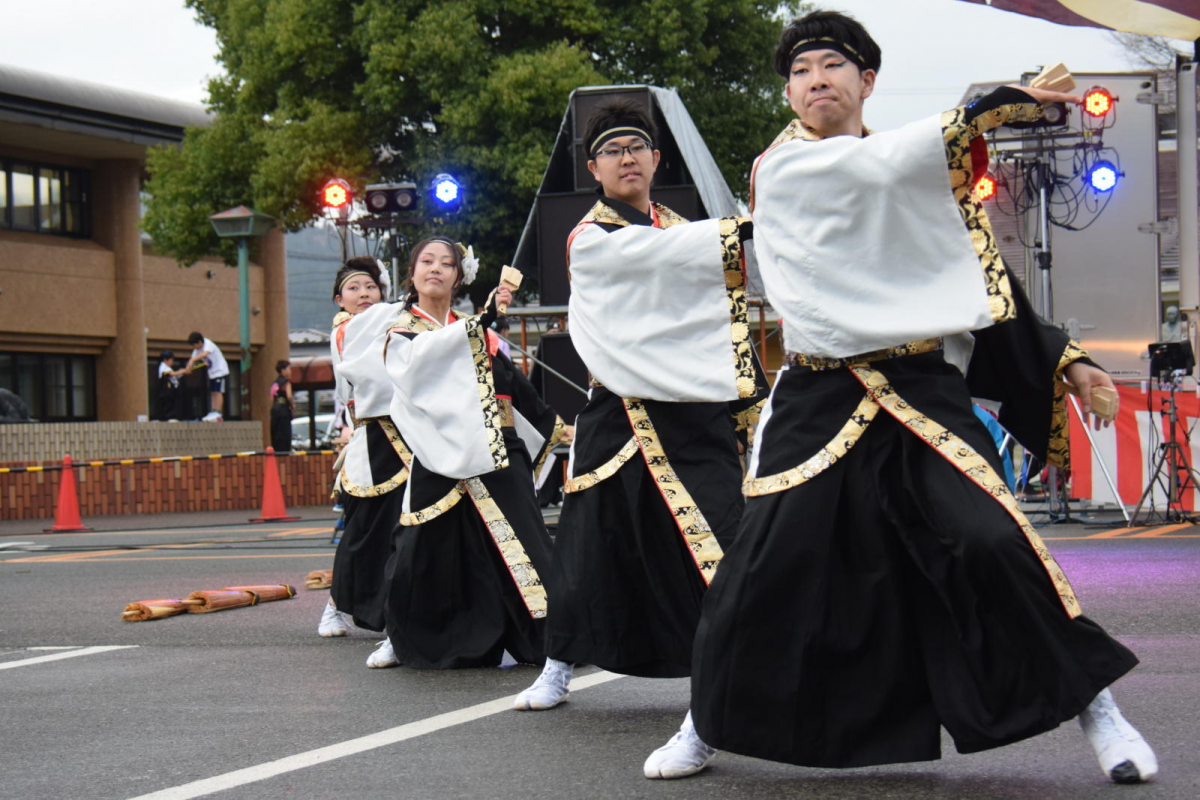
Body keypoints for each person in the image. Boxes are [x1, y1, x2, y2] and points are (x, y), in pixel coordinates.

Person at [674, 10, 1156, 785]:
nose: (815, 80)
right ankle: (703, 724)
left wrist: (1067, 361)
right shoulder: (786, 169)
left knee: (992, 542)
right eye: (800, 71)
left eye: (832, 65)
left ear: (867, 81)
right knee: (763, 565)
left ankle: (1099, 712)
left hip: (919, 386)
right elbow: (870, 171)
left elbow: (970, 276)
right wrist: (977, 111)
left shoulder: (917, 173)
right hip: (819, 394)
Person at [513, 99, 766, 717]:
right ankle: (557, 665)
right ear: (594, 168)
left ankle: (751, 657)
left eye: (637, 149)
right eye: (612, 152)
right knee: (588, 543)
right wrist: (745, 225)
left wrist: (746, 395)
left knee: (727, 530)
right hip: (619, 409)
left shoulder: (682, 229)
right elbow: (651, 259)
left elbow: (716, 314)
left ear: (656, 159)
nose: (627, 159)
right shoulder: (593, 237)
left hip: (689, 407)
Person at [379, 236, 569, 670]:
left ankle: (553, 635)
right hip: (438, 453)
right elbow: (419, 366)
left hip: (494, 448)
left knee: (524, 540)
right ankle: (411, 635)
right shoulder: (403, 332)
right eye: (427, 261)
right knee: (423, 550)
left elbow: (511, 383)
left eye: (447, 264)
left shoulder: (476, 328)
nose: (436, 269)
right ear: (412, 273)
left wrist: (554, 425)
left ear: (459, 276)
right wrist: (477, 324)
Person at [320, 257, 411, 662]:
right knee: (360, 529)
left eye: (370, 288)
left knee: (400, 528)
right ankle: (335, 603)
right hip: (372, 438)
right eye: (354, 289)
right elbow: (360, 380)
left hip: (408, 435)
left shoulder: (393, 322)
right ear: (339, 299)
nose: (363, 295)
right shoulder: (347, 329)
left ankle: (396, 612)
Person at [184, 331, 230, 421]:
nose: (194, 348)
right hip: (212, 373)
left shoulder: (208, 344)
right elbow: (192, 359)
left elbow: (204, 354)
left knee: (218, 391)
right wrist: (188, 368)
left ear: (199, 342)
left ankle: (218, 412)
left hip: (220, 371)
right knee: (213, 392)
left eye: (194, 345)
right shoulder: (197, 350)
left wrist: (192, 361)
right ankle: (213, 411)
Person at [269, 360, 294, 453]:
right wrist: (292, 405)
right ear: (283, 370)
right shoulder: (286, 382)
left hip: (275, 411)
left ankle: (277, 451)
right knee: (285, 434)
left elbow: (271, 399)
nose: (290, 371)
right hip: (284, 410)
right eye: (289, 369)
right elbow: (289, 396)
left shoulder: (274, 383)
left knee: (276, 433)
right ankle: (285, 452)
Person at [155, 350, 182, 422]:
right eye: (171, 360)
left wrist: (182, 372)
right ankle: (168, 417)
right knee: (167, 404)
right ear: (165, 360)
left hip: (172, 391)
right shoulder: (163, 366)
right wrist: (183, 371)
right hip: (166, 391)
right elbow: (173, 374)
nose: (172, 362)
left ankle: (172, 417)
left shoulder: (168, 368)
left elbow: (175, 376)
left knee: (173, 403)